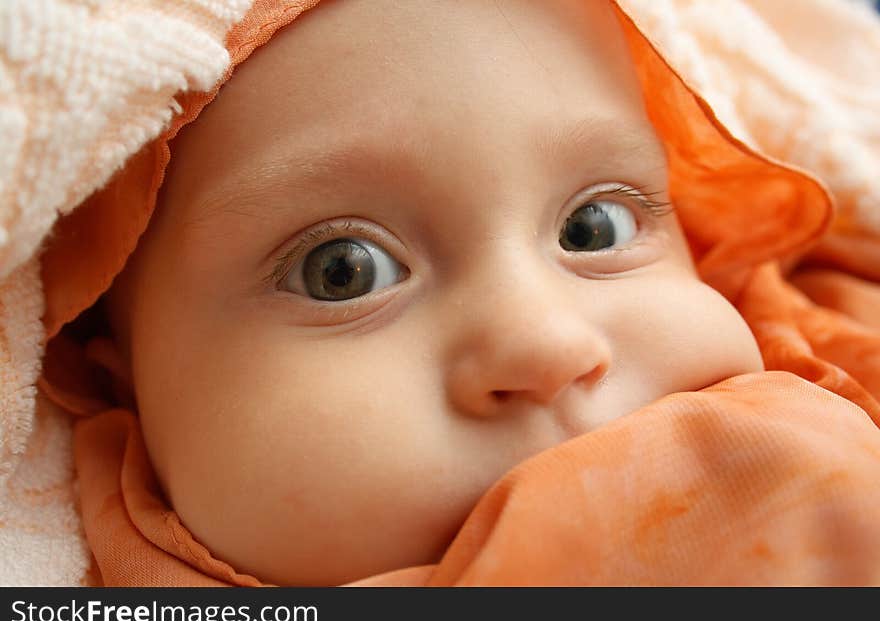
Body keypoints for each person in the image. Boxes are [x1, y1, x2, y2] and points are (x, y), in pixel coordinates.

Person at [36, 0, 880, 586]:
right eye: (344, 270)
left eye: (594, 228)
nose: (546, 344)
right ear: (124, 383)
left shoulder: (831, 357)